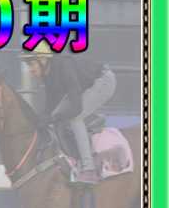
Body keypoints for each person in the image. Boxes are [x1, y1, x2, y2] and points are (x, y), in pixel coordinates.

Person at [20, 42, 116, 185]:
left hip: (104, 81)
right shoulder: (48, 75)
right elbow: (50, 107)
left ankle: (89, 170)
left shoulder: (64, 67)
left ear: (43, 60)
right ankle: (72, 159)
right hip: (84, 87)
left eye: (31, 64)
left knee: (75, 118)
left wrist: (53, 117)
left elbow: (76, 108)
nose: (30, 70)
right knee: (58, 117)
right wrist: (40, 120)